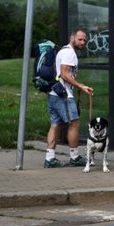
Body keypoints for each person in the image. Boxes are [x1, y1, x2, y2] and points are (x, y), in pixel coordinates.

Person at [44, 28, 93, 168]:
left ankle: (50, 159)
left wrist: (80, 85)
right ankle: (74, 157)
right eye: (80, 39)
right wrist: (80, 87)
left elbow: (65, 75)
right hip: (63, 96)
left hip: (54, 94)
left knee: (56, 124)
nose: (82, 42)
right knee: (74, 123)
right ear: (72, 38)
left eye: (84, 40)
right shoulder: (69, 53)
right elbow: (65, 75)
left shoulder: (65, 51)